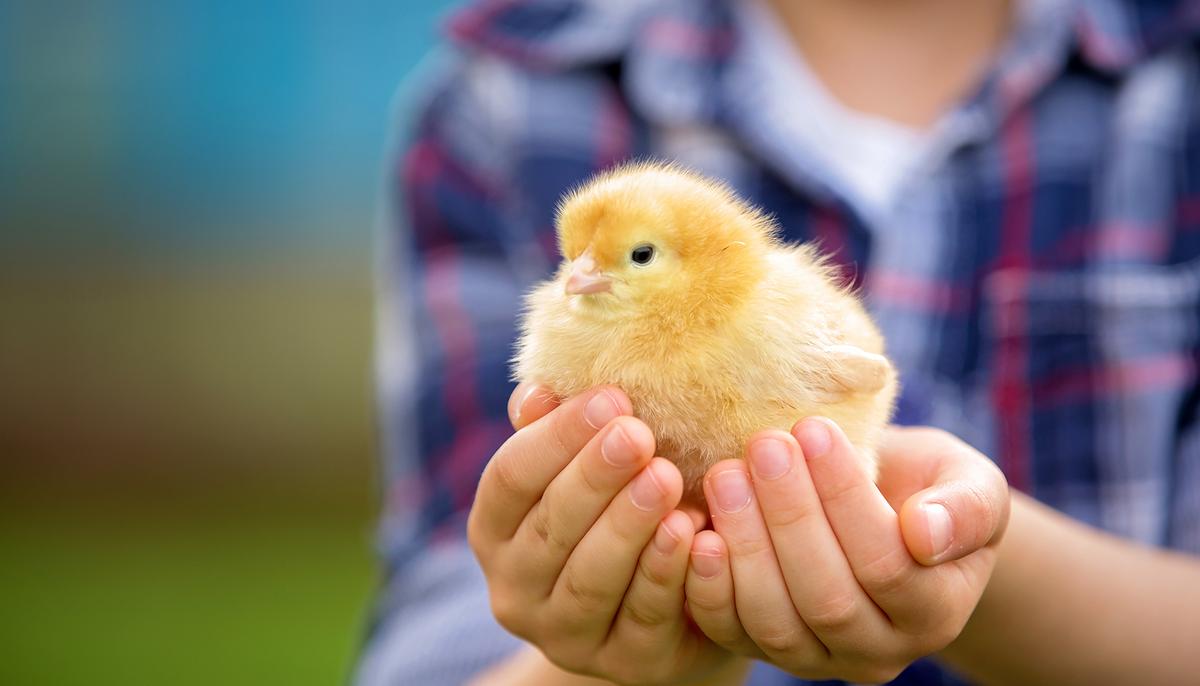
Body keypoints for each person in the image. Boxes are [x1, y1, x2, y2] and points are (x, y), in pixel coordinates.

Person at [354, 0, 1200, 684]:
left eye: (634, 258)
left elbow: (856, 374)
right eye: (575, 259)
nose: (577, 278)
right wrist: (615, 646)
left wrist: (974, 555)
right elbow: (439, 637)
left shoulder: (1176, 90)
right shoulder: (504, 98)